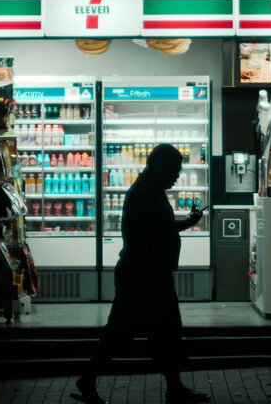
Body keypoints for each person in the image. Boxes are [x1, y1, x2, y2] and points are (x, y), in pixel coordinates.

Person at [72, 144, 210, 404]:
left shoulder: (149, 190)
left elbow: (161, 229)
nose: (177, 176)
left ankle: (171, 387)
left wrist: (186, 223)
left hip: (144, 275)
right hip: (145, 276)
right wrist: (155, 278)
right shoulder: (145, 194)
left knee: (151, 332)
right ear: (162, 167)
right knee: (150, 332)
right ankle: (91, 380)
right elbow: (144, 240)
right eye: (175, 170)